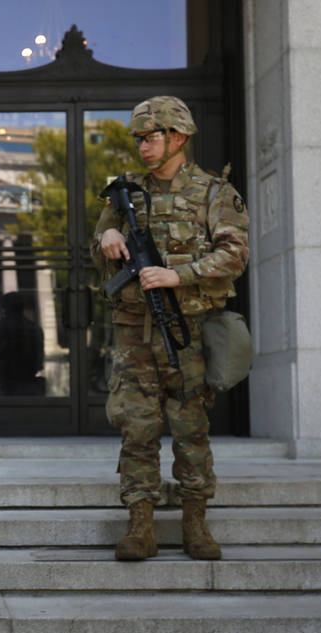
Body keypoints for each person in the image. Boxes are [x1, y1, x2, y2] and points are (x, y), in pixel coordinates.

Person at [91, 96, 249, 562]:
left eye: (151, 136)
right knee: (136, 429)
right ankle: (140, 526)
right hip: (134, 330)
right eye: (138, 138)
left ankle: (195, 524)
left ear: (178, 137)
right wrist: (108, 235)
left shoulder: (214, 192)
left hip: (188, 330)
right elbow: (99, 238)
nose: (142, 145)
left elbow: (235, 254)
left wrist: (179, 275)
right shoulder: (123, 192)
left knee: (191, 426)